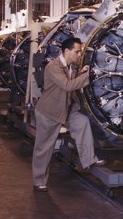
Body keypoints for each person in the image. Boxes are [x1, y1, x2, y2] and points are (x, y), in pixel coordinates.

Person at [32, 37, 105, 192]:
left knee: (82, 122)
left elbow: (73, 80)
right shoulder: (53, 66)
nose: (79, 55)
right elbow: (67, 85)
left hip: (67, 108)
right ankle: (39, 181)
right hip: (49, 112)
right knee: (44, 148)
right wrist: (89, 75)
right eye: (77, 52)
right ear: (66, 51)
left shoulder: (71, 67)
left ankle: (88, 160)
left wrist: (82, 72)